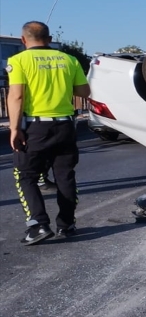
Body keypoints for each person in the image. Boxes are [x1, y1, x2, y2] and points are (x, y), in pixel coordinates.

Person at [6, 21, 91, 245]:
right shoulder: (69, 60)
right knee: (65, 175)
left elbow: (16, 96)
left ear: (23, 40)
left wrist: (14, 129)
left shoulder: (18, 61)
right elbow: (84, 91)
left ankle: (38, 225)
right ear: (50, 39)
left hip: (35, 128)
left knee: (25, 175)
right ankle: (67, 224)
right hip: (65, 126)